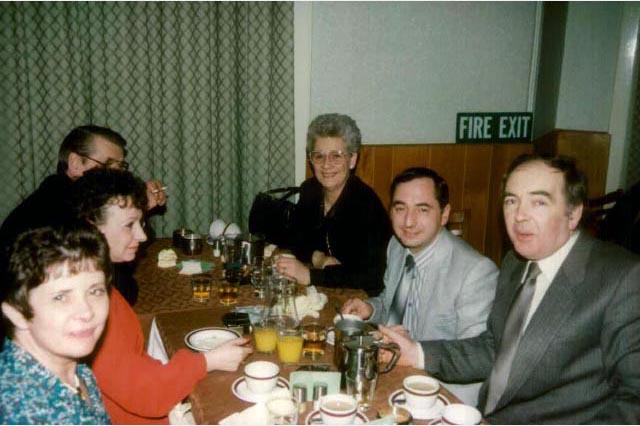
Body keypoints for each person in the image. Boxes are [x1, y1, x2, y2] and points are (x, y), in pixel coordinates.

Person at [380, 154, 640, 424]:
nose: (519, 216)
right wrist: (418, 353)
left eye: (538, 202)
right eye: (511, 201)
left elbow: (634, 401)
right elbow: (494, 347)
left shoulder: (623, 277)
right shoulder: (515, 263)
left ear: (573, 213)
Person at [71, 168, 252, 424]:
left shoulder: (96, 280)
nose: (143, 236)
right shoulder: (89, 306)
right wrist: (207, 361)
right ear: (92, 228)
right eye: (129, 225)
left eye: (141, 223)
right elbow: (148, 395)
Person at [341, 167, 498, 405]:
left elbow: (475, 357)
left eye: (422, 209)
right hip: (391, 374)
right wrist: (370, 308)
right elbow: (391, 301)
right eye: (400, 208)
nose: (408, 222)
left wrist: (415, 351)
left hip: (441, 395)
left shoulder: (475, 272)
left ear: (444, 215)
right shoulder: (396, 245)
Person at [0, 125, 167, 305]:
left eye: (120, 167)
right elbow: (120, 291)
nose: (116, 174)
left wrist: (133, 210)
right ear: (75, 163)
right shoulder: (61, 210)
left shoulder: (58, 192)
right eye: (108, 165)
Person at [0, 224, 112, 424]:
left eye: (95, 291)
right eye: (61, 297)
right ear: (17, 313)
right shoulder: (21, 412)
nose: (87, 312)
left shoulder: (70, 366)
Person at [275, 113, 392, 296]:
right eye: (319, 156)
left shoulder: (367, 206)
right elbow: (295, 237)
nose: (326, 165)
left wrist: (310, 275)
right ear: (311, 160)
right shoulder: (311, 191)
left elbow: (372, 275)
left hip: (362, 301)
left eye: (336, 156)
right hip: (326, 290)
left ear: (352, 160)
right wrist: (318, 258)